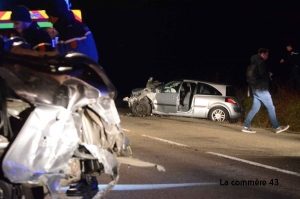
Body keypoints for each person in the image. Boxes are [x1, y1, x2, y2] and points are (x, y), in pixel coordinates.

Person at [242, 48, 290, 134]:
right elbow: (263, 75)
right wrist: (269, 75)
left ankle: (246, 126)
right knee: (271, 107)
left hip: (255, 89)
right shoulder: (261, 63)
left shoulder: (252, 64)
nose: (267, 57)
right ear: (263, 54)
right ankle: (277, 127)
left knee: (255, 108)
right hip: (261, 89)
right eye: (267, 55)